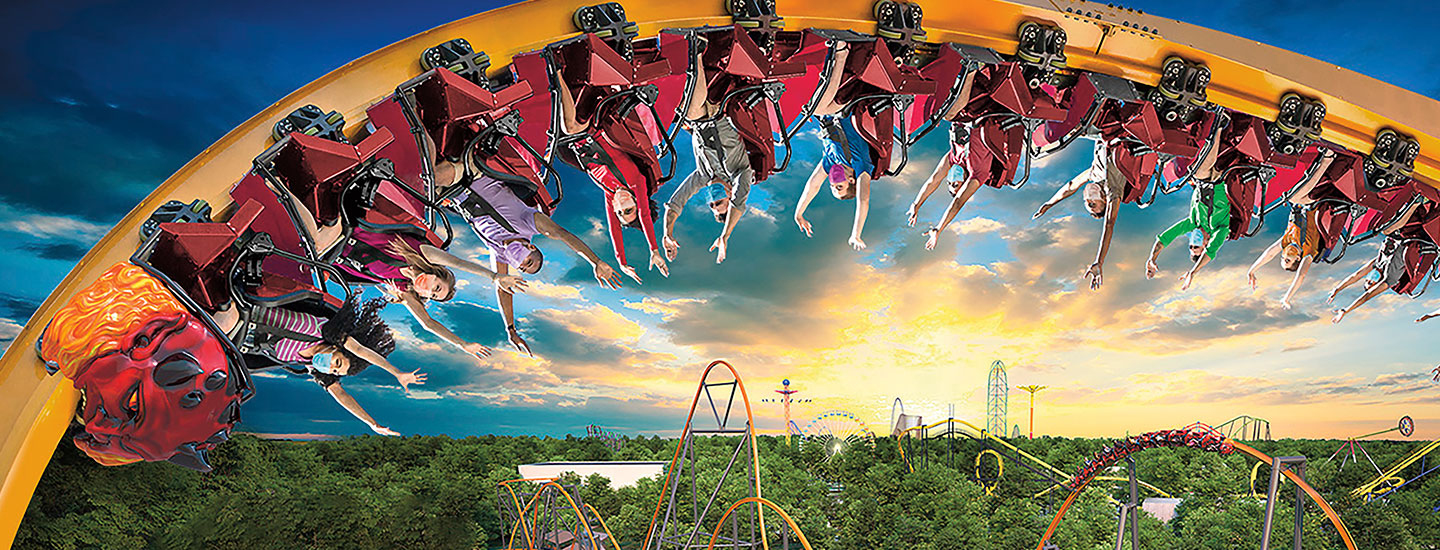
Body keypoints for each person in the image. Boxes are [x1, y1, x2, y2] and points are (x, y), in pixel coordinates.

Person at [282, 185, 509, 361]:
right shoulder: (421, 254)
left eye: (432, 295)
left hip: (331, 255)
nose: (429, 289)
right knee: (317, 242)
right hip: (347, 224)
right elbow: (458, 261)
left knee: (310, 254)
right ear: (437, 272)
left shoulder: (402, 287)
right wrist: (494, 276)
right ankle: (278, 187)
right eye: (437, 286)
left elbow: (428, 323)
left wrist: (462, 344)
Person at [431, 160, 626, 355]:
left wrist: (511, 329)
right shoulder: (527, 222)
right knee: (430, 176)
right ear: (530, 247)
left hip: (453, 195)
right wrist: (595, 261)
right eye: (529, 261)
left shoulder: (499, 251)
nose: (522, 264)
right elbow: (561, 233)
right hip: (471, 175)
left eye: (522, 268)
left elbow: (503, 289)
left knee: (419, 189)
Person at [213, 298, 422, 436]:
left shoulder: (309, 366)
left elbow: (341, 395)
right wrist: (396, 372)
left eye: (334, 371)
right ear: (337, 347)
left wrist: (371, 423)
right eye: (337, 363)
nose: (330, 368)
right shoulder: (322, 330)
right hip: (238, 314)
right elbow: (360, 350)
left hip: (229, 343)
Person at [554, 66, 669, 282]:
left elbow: (613, 228)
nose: (621, 208)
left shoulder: (609, 194)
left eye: (620, 212)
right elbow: (644, 216)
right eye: (629, 209)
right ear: (637, 201)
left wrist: (621, 262)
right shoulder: (637, 183)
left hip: (576, 142)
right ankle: (557, 72)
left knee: (555, 139)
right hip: (596, 126)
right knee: (569, 126)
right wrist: (653, 249)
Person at [662, 45, 754, 264]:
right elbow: (739, 204)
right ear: (729, 194)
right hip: (721, 112)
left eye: (711, 205)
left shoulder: (702, 176)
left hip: (695, 121)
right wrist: (726, 235)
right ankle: (698, 50)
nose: (712, 200)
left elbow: (675, 204)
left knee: (671, 113)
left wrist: (667, 233)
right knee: (692, 111)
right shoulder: (740, 174)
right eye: (718, 202)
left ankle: (676, 53)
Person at [794, 42, 879, 250]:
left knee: (816, 109)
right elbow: (864, 201)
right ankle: (840, 50)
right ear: (851, 181)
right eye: (839, 186)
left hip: (833, 107)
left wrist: (799, 213)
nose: (833, 182)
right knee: (817, 108)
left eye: (832, 187)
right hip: (849, 104)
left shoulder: (830, 162)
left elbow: (812, 186)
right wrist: (855, 234)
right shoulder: (861, 166)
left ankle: (837, 50)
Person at [1144, 112, 1231, 291]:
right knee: (1196, 170)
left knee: (1182, 167)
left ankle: (1180, 119)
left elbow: (1164, 238)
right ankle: (1219, 124)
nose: (1194, 242)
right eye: (1196, 246)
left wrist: (1152, 258)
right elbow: (1210, 253)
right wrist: (1193, 271)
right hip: (1218, 180)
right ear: (1205, 244)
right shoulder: (1220, 229)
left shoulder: (1192, 222)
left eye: (1191, 245)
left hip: (1201, 180)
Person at [1245, 149, 1340, 308]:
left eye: (1282, 259)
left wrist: (1251, 271)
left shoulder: (1287, 241)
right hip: (1315, 204)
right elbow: (1301, 276)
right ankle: (1328, 159)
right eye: (1287, 260)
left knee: (1284, 193)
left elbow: (1268, 254)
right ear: (1298, 260)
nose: (1284, 256)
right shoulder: (1308, 252)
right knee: (1294, 196)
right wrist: (1287, 297)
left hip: (1299, 202)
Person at [1029, 137, 1127, 290]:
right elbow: (1109, 225)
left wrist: (1049, 204)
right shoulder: (1113, 190)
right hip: (1121, 138)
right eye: (1093, 204)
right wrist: (1099, 262)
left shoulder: (1094, 175)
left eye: (1087, 204)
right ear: (1105, 202)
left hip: (1102, 135)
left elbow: (1070, 186)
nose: (1088, 201)